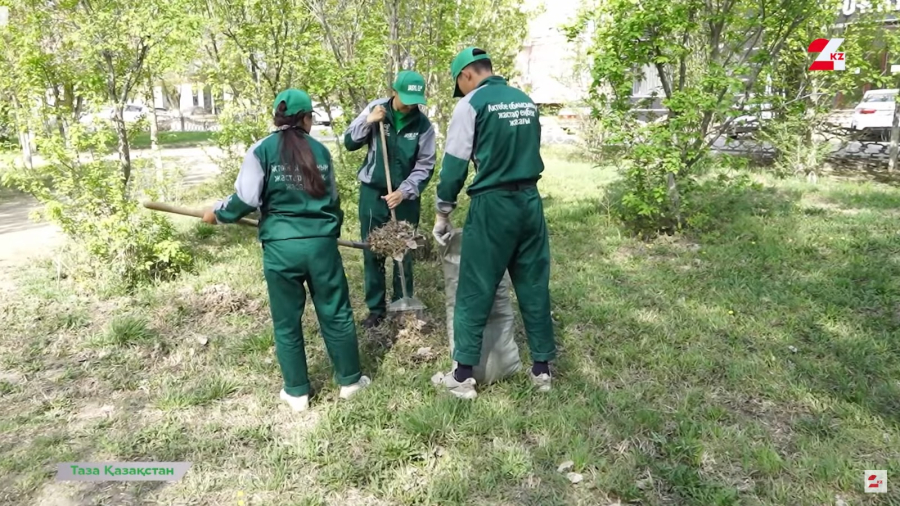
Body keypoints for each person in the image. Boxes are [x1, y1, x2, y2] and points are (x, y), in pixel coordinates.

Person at [202, 88, 370, 412]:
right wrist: (327, 232)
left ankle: (297, 393)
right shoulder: (321, 152)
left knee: (286, 321)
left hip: (280, 250)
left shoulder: (261, 150)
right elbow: (334, 202)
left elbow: (246, 199)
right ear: (306, 119)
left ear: (277, 118)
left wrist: (219, 214)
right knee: (335, 312)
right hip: (321, 247)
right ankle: (350, 381)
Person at [430, 47, 555, 399]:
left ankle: (462, 376)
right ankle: (542, 370)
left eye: (461, 84)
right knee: (533, 284)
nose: (462, 90)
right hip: (530, 202)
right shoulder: (525, 101)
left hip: (493, 206)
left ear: (466, 75)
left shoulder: (472, 104)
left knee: (475, 286)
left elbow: (455, 163)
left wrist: (443, 212)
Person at [343, 70, 436, 329]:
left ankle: (402, 301)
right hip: (373, 193)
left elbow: (425, 164)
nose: (410, 104)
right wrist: (369, 122)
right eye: (405, 98)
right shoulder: (375, 109)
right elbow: (349, 142)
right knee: (373, 249)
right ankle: (376, 309)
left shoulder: (423, 125)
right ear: (394, 91)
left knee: (404, 250)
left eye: (415, 99)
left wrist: (405, 190)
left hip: (404, 197)